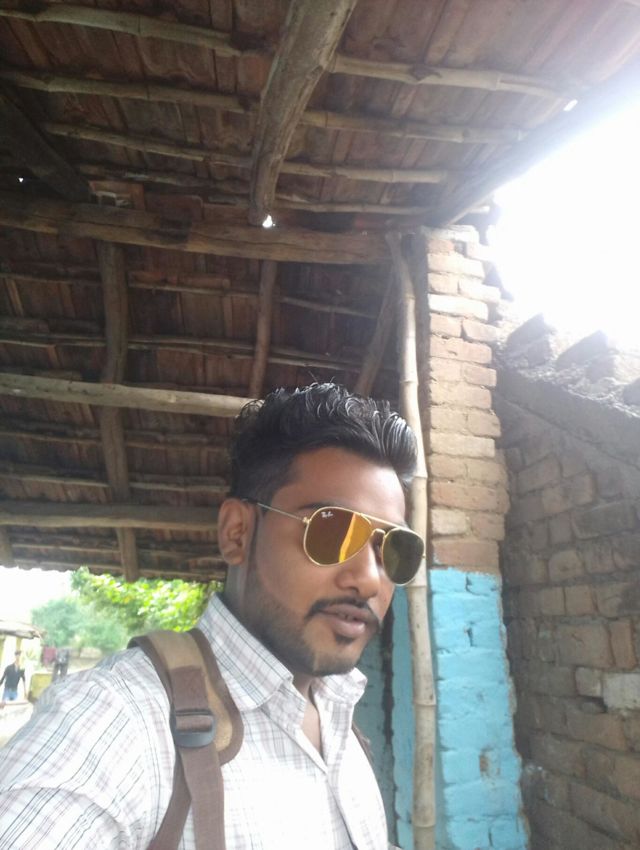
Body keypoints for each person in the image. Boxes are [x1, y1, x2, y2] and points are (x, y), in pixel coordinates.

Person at [0, 383, 423, 850]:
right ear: (237, 532)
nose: (368, 579)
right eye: (332, 530)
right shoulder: (119, 720)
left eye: (393, 548)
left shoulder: (340, 714)